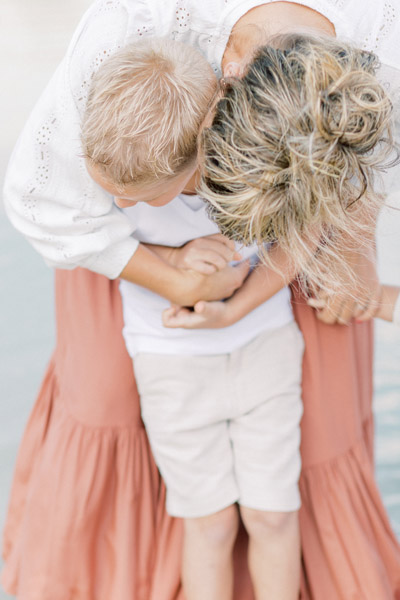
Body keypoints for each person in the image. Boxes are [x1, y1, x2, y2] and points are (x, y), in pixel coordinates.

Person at [2, 1, 400, 599]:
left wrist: (350, 253)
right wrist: (176, 280)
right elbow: (41, 196)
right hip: (156, 326)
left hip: (269, 321)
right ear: (227, 78)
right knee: (196, 504)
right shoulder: (133, 48)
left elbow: (335, 206)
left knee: (284, 494)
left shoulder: (379, 47)